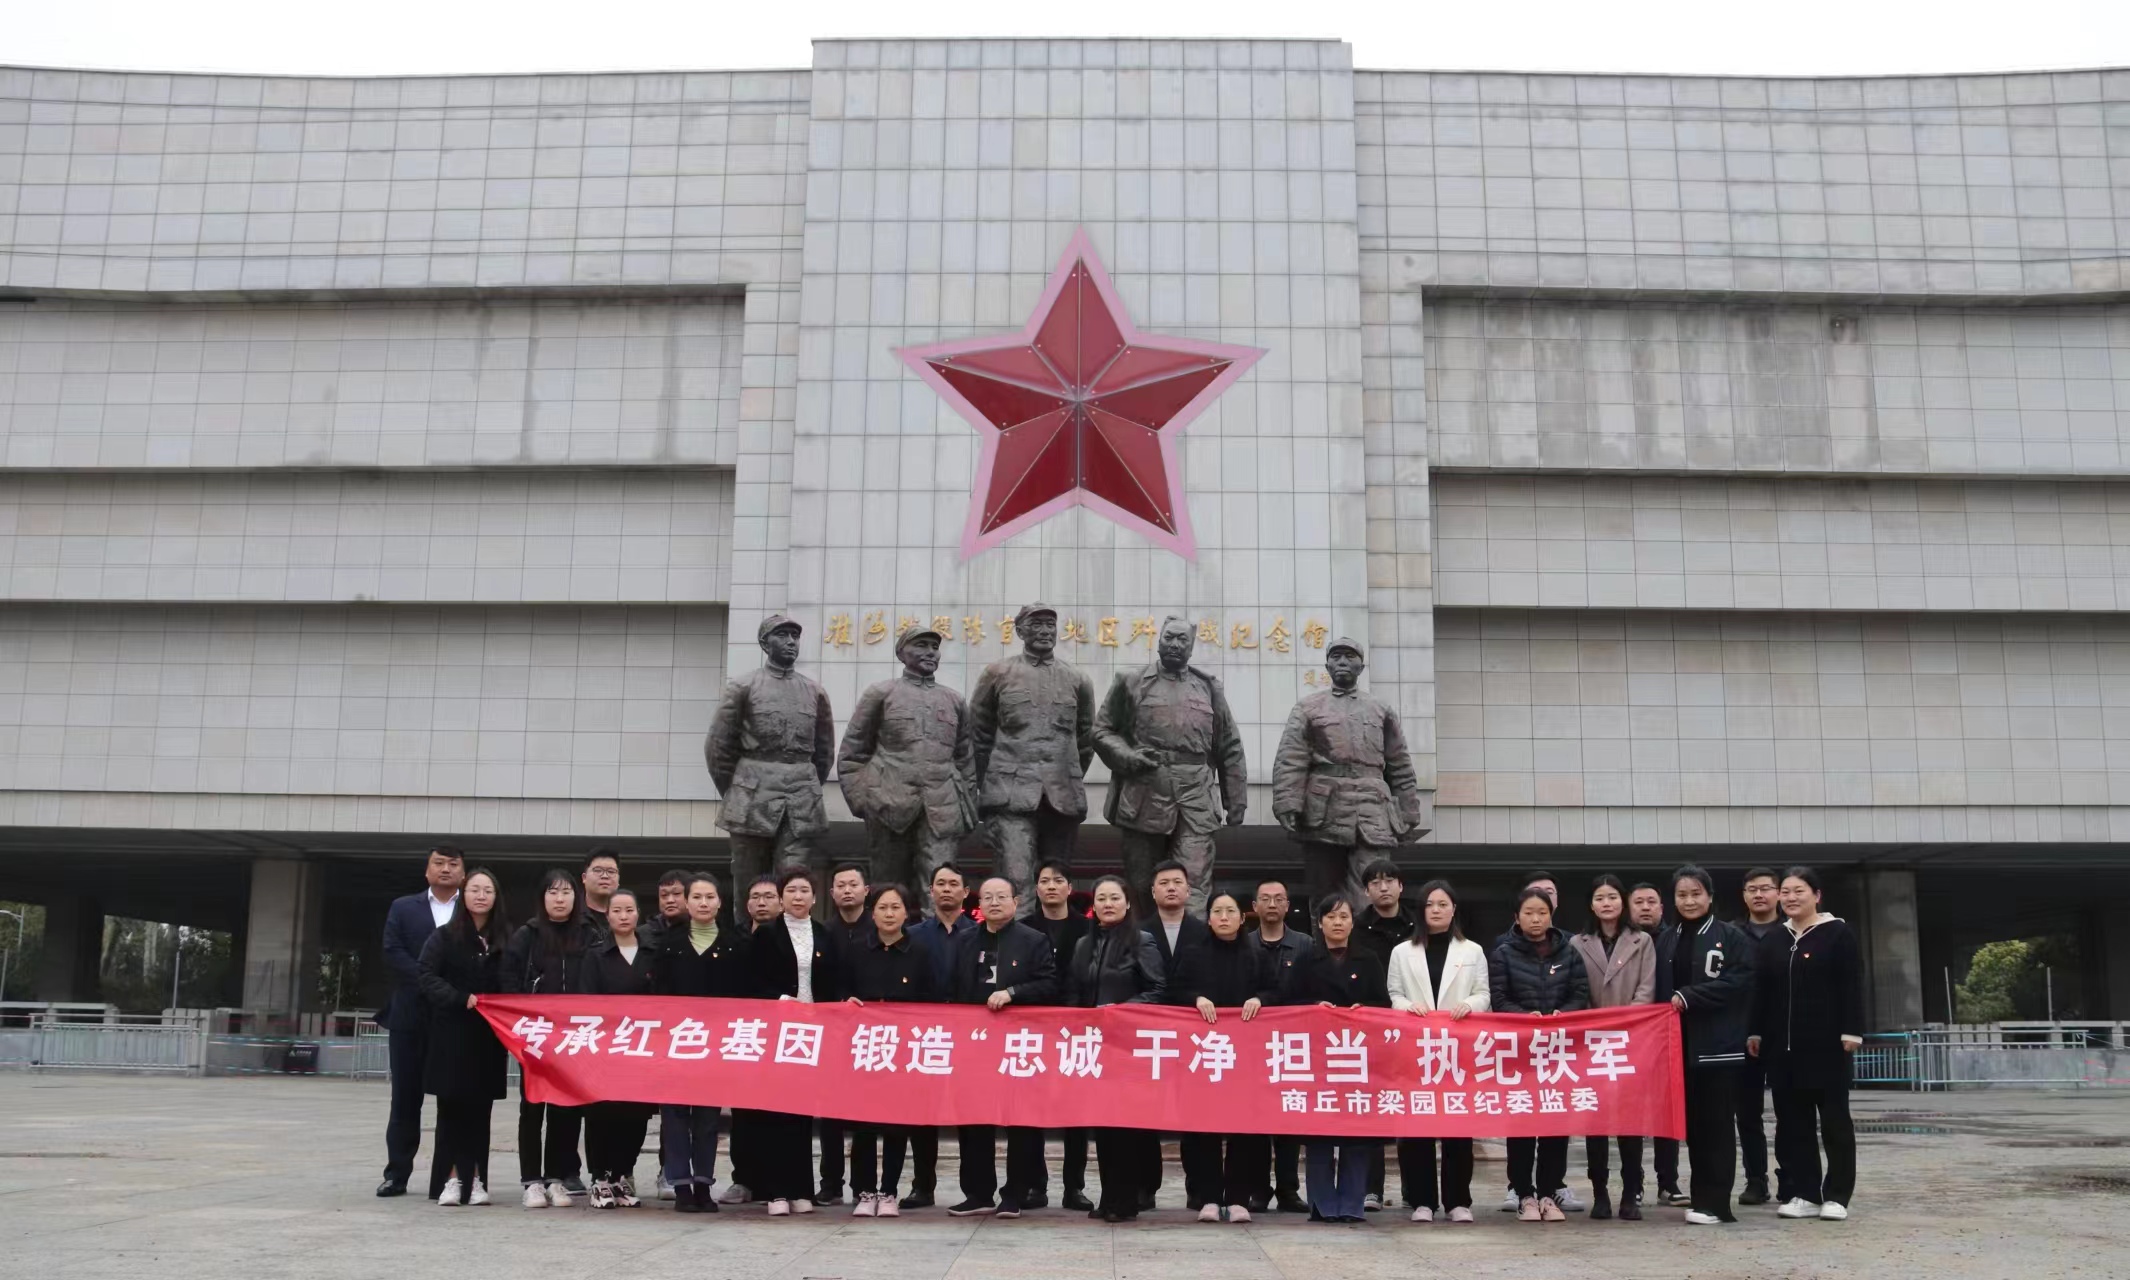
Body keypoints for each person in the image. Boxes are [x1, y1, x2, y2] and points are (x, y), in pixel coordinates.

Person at [1094, 616, 1248, 914]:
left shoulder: (1208, 687)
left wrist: (1235, 800)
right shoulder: (1131, 681)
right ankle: (1146, 940)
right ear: (1159, 640)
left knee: (1193, 883)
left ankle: (1190, 941)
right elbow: (1102, 731)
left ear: (1191, 647)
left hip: (1196, 797)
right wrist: (1128, 757)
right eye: (1169, 637)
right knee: (1142, 885)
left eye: (1182, 639)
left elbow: (1228, 745)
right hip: (1145, 793)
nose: (1175, 644)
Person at [1271, 635, 1427, 910]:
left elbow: (1399, 763)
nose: (1342, 661)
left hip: (1372, 809)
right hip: (1323, 810)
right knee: (1324, 894)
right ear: (1327, 666)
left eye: (1350, 656)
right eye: (1336, 657)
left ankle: (1368, 937)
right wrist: (1287, 802)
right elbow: (1291, 758)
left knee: (1372, 889)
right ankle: (1327, 938)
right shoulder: (1308, 708)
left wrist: (1409, 810)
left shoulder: (1381, 710)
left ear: (1361, 667)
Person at [1750, 866, 1865, 1223]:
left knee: (1834, 1123)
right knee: (1793, 1125)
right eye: (1785, 892)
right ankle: (1806, 1193)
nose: (1790, 898)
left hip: (1828, 1047)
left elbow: (1851, 984)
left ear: (1816, 896)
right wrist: (1755, 1032)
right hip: (1782, 1050)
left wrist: (1852, 1030)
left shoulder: (1838, 934)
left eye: (1798, 891)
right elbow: (1761, 992)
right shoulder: (1774, 939)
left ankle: (1838, 1195)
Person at [837, 624, 977, 902]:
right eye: (921, 645)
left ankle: (938, 932)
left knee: (941, 887)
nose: (930, 652)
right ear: (901, 653)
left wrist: (964, 804)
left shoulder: (954, 700)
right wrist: (864, 801)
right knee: (887, 888)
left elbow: (965, 758)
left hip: (942, 806)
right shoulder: (880, 693)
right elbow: (852, 753)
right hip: (888, 802)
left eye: (934, 647)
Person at [947, 876, 1060, 1217]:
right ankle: (978, 1192)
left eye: (1001, 896)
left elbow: (1049, 984)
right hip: (975, 1044)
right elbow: (952, 987)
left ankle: (1015, 1193)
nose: (994, 902)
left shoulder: (1033, 940)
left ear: (1016, 902)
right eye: (988, 897)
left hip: (1018, 1045)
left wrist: (1013, 993)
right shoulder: (965, 940)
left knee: (1020, 1120)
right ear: (979, 904)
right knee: (974, 1119)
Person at [970, 602, 1095, 899]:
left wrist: (1064, 775)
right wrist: (993, 783)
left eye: (1050, 625)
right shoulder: (997, 674)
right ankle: (1018, 931)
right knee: (1016, 878)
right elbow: (978, 735)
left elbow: (1086, 739)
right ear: (1019, 630)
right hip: (1010, 795)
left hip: (1062, 797)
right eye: (1036, 624)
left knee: (1056, 884)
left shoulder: (1077, 679)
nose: (1044, 631)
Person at [1655, 865, 1755, 1225]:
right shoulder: (1667, 939)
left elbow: (1741, 981)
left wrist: (1691, 996)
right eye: (1682, 895)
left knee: (1717, 1127)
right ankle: (1701, 1199)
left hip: (1718, 1047)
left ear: (1710, 897)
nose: (1689, 901)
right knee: (1694, 1128)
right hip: (1678, 1048)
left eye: (1696, 894)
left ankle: (1717, 1203)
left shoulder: (1731, 936)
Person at [1384, 878, 1488, 1223]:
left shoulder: (1472, 950)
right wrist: (1407, 1006)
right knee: (1418, 1129)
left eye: (1443, 904)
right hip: (1416, 1049)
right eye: (1430, 904)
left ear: (1454, 909)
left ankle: (1458, 1201)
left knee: (1458, 1128)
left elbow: (1483, 994)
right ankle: (1422, 1201)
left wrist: (1469, 1005)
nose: (1436, 910)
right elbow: (1394, 994)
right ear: (1421, 910)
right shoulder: (1402, 951)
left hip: (1458, 1050)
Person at [707, 614, 836, 889]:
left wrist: (804, 782)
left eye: (795, 636)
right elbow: (718, 748)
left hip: (800, 798)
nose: (791, 641)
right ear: (765, 644)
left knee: (795, 881)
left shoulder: (815, 692)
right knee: (749, 883)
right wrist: (738, 789)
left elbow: (824, 753)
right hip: (751, 795)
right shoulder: (742, 687)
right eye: (782, 635)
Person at [1066, 874, 1167, 1222]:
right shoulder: (1083, 944)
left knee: (1127, 1127)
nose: (1108, 904)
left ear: (1127, 903)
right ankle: (1109, 1196)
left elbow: (1157, 989)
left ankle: (1127, 1200)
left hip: (1129, 1046)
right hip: (1094, 1048)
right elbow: (1074, 991)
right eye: (1101, 899)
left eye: (1114, 898)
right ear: (1093, 906)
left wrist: (1121, 1011)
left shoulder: (1142, 941)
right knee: (1103, 1127)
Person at [1173, 890, 1276, 1223]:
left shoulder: (1257, 955)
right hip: (1204, 1055)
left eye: (1231, 911)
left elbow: (1276, 990)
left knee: (1243, 1127)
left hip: (1245, 1056)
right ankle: (1208, 1197)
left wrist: (1260, 999)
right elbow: (1175, 991)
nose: (1224, 917)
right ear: (1208, 918)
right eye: (1217, 911)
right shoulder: (1193, 954)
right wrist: (1196, 998)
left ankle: (1238, 1198)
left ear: (1242, 918)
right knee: (1204, 1127)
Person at [1489, 888, 1591, 1223]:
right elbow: (1498, 997)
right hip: (1520, 1052)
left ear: (1551, 915)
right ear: (1516, 917)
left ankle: (1548, 1193)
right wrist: (1523, 1017)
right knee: (1521, 1125)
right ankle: (1524, 1195)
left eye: (1542, 913)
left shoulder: (1569, 951)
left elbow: (1580, 992)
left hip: (1557, 1051)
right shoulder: (1503, 954)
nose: (1536, 919)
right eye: (1529, 913)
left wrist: (1564, 1014)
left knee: (1555, 1124)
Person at [750, 865, 848, 1216]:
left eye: (804, 890)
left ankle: (801, 1188)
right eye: (791, 890)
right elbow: (751, 982)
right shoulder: (765, 935)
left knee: (804, 1114)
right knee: (776, 1112)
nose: (797, 896)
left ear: (814, 897)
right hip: (778, 1032)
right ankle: (776, 1191)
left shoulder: (825, 935)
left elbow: (835, 982)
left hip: (814, 1035)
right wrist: (779, 1000)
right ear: (781, 897)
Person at [652, 872, 748, 1213]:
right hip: (676, 1043)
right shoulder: (669, 943)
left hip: (716, 1045)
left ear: (719, 902)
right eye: (697, 897)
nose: (703, 903)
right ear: (687, 902)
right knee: (675, 1116)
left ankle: (704, 1185)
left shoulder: (735, 944)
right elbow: (657, 995)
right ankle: (680, 1185)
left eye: (710, 897)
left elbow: (743, 997)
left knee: (708, 1119)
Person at [841, 883, 938, 1217]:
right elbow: (842, 991)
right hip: (865, 1049)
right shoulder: (856, 950)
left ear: (906, 913)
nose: (889, 913)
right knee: (864, 1128)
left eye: (895, 907)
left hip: (903, 1052)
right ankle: (865, 1192)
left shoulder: (921, 953)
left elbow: (932, 1001)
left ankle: (889, 1192)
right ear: (873, 913)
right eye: (882, 907)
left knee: (897, 1126)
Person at [501, 868, 596, 1206]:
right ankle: (531, 1181)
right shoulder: (526, 935)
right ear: (542, 898)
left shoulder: (588, 934)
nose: (560, 899)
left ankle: (556, 1177)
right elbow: (508, 980)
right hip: (536, 1036)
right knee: (532, 1109)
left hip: (573, 1037)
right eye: (553, 892)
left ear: (576, 897)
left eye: (566, 892)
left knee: (565, 1110)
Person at [1292, 894, 1389, 1223]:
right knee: (1319, 1131)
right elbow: (1289, 1001)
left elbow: (1383, 1003)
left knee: (1356, 1132)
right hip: (1318, 1057)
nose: (1337, 922)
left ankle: (1351, 1204)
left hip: (1358, 1057)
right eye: (1331, 917)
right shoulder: (1306, 959)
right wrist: (1313, 1008)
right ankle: (1321, 1205)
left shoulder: (1368, 959)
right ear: (1320, 923)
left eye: (1344, 916)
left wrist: (1367, 1010)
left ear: (1352, 922)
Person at [416, 866, 508, 1207]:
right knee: (451, 1110)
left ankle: (477, 1179)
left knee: (480, 1112)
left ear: (496, 898)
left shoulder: (505, 939)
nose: (481, 896)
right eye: (474, 890)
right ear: (463, 895)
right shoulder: (443, 937)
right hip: (451, 1035)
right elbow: (426, 975)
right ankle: (452, 1179)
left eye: (488, 890)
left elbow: (513, 980)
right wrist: (459, 998)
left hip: (488, 1038)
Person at [1567, 874, 1656, 1220]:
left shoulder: (1642, 941)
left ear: (1623, 902)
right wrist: (1594, 1023)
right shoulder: (1577, 943)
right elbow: (1576, 989)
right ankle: (1600, 1192)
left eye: (1613, 897)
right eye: (1600, 898)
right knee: (1596, 1121)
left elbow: (1647, 989)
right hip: (1591, 1041)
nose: (1607, 903)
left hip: (1631, 1040)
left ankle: (1631, 1192)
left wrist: (1625, 1023)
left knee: (1630, 1122)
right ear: (1591, 904)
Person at [378, 845, 465, 1198]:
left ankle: (447, 1178)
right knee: (405, 1099)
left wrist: (449, 992)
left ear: (463, 873)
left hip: (455, 1018)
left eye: (453, 864)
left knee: (451, 1099)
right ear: (427, 870)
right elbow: (392, 951)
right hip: (410, 1016)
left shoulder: (472, 908)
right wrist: (431, 982)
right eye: (438, 863)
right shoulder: (403, 907)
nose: (445, 869)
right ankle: (396, 1174)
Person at [903, 860, 977, 1207]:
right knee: (922, 1115)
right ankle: (923, 1186)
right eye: (941, 884)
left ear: (965, 892)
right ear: (931, 891)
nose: (947, 890)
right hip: (925, 1036)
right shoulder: (913, 935)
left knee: (970, 1115)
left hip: (969, 1037)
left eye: (953, 884)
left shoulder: (979, 934)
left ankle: (973, 1189)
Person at [578, 887, 657, 1208]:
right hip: (606, 1050)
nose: (623, 916)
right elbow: (587, 1004)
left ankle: (622, 1174)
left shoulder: (652, 953)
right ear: (607, 916)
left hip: (642, 1049)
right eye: (617, 911)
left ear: (638, 914)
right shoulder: (596, 955)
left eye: (629, 910)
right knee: (602, 1115)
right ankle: (600, 1179)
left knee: (636, 1116)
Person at [1026, 859, 1092, 1212]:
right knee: (1031, 1113)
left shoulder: (1088, 929)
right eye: (1044, 880)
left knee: (1076, 1115)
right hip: (1032, 1031)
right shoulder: (1023, 928)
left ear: (1069, 888)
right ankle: (1035, 1185)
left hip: (1076, 1031)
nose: (1051, 886)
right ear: (1036, 888)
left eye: (1058, 880)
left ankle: (1074, 1187)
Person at [1351, 858, 1416, 1211]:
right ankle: (1371, 1189)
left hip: (1413, 1029)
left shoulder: (1418, 925)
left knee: (1411, 1109)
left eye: (1390, 880)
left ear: (1401, 886)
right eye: (1375, 882)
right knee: (1373, 1110)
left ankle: (1413, 1189)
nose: (1384, 887)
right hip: (1371, 1030)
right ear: (1366, 891)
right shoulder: (1356, 928)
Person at [813, 860, 873, 1205]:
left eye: (853, 884)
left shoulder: (879, 927)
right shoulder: (822, 932)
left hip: (870, 1035)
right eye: (841, 885)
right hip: (832, 1034)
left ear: (866, 890)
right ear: (832, 892)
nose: (847, 890)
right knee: (830, 1115)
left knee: (865, 1114)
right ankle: (831, 1182)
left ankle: (863, 1184)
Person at [1249, 878, 1310, 1213]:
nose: (1272, 904)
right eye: (1265, 899)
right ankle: (1259, 1189)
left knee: (1289, 1119)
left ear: (1287, 906)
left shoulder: (1305, 945)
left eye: (1278, 899)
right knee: (1256, 1121)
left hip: (1293, 1045)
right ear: (1254, 906)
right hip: (1253, 1047)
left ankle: (1288, 1189)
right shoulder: (1244, 946)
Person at [1628, 879, 1681, 1204]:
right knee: (1632, 1113)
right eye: (1639, 902)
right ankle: (1633, 1183)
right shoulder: (1623, 940)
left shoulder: (1677, 939)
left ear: (1662, 907)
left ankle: (1668, 1182)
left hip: (1667, 1035)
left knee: (1666, 1111)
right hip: (1630, 1036)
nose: (1645, 907)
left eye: (1651, 902)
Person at [1736, 866, 1786, 1206]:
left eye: (1766, 888)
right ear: (1744, 895)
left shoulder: (1792, 931)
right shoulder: (1732, 934)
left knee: (1789, 1111)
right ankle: (1755, 1179)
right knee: (1747, 1113)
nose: (1759, 894)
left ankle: (1790, 1176)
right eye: (1752, 889)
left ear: (1778, 893)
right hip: (1743, 1034)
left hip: (1783, 1033)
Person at [580, 846, 621, 938]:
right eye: (598, 870)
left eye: (611, 871)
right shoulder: (571, 914)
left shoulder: (627, 916)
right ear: (584, 878)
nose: (605, 876)